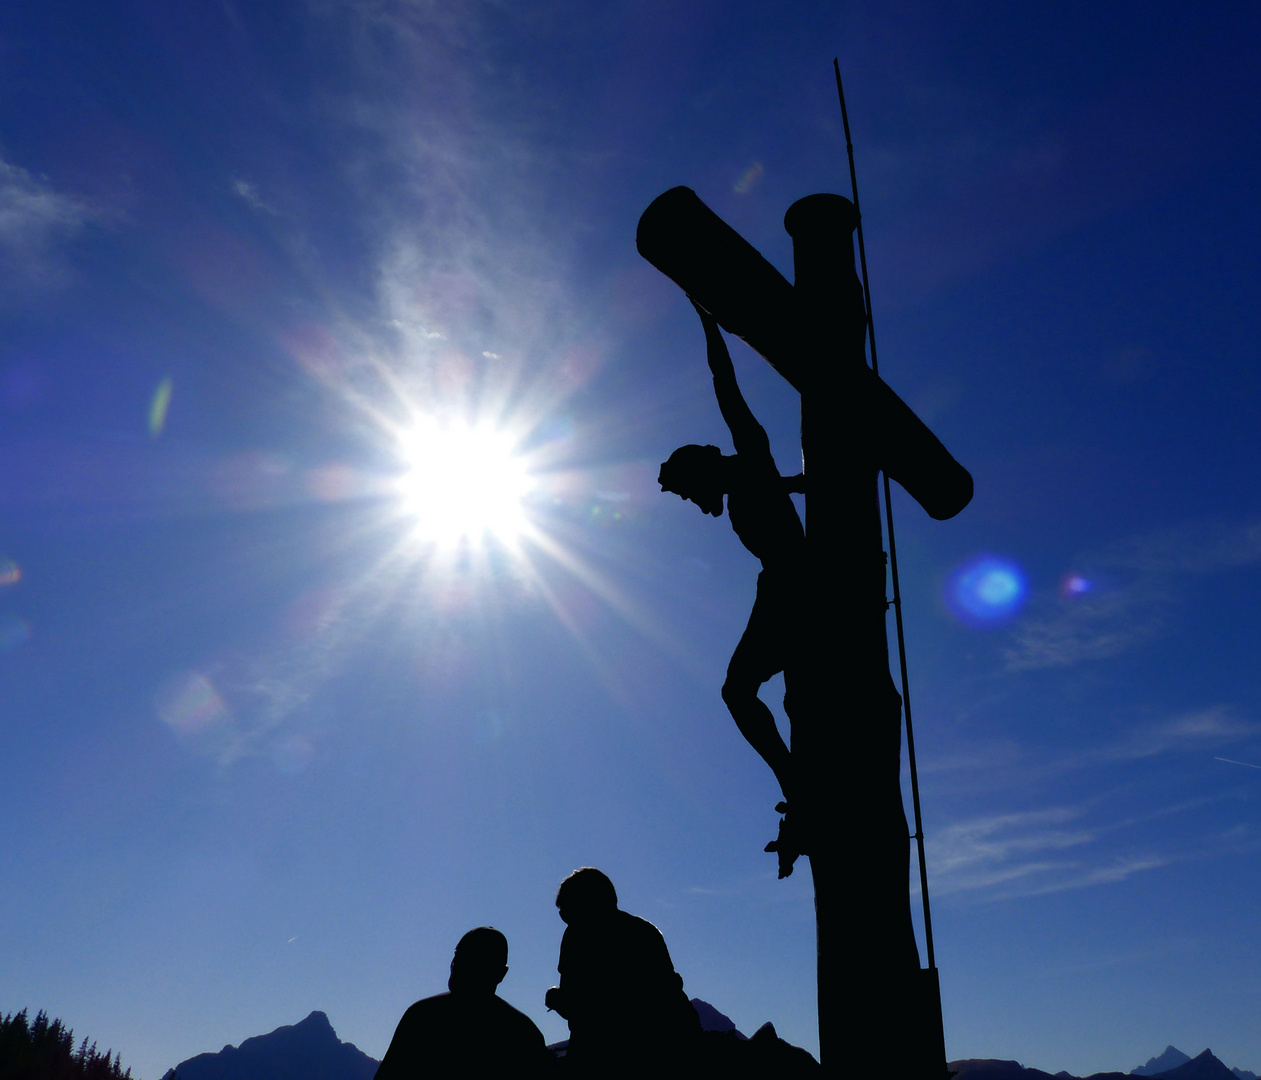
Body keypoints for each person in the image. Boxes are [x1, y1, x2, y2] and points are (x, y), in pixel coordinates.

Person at [658, 301, 808, 871]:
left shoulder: (749, 458)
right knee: (755, 693)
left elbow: (727, 387)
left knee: (737, 690)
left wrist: (705, 317)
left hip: (793, 583)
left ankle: (797, 782)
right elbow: (783, 486)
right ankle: (799, 785)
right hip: (781, 585)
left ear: (699, 469)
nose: (695, 505)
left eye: (687, 490)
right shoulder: (755, 478)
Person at [545, 868, 699, 1077]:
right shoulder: (645, 932)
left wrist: (556, 999)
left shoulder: (578, 937)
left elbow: (583, 1007)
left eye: (567, 911)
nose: (564, 918)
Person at [375, 926, 551, 1078]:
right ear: (502, 974)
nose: (456, 964)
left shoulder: (422, 1016)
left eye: (470, 959)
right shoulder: (523, 1032)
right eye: (458, 956)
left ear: (500, 974)